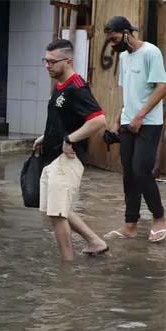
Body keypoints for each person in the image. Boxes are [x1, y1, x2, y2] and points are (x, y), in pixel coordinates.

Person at [32, 39, 109, 261]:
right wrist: (46, 137)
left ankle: (67, 266)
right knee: (55, 210)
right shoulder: (60, 87)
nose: (48, 66)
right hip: (54, 154)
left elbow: (99, 120)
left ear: (68, 61)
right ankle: (95, 242)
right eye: (45, 61)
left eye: (52, 62)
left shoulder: (77, 87)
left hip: (68, 158)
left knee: (57, 213)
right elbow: (64, 120)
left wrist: (70, 139)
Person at [101, 16, 166, 243]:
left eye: (114, 38)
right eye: (109, 40)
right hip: (128, 122)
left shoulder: (151, 52)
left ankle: (159, 218)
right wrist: (118, 120)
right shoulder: (124, 57)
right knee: (129, 174)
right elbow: (127, 93)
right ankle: (130, 225)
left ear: (127, 33)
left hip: (148, 123)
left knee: (141, 170)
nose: (112, 43)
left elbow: (162, 87)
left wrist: (140, 115)